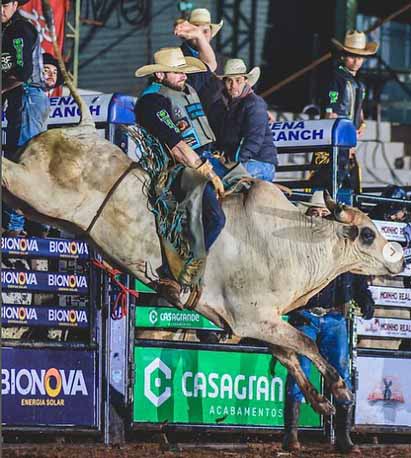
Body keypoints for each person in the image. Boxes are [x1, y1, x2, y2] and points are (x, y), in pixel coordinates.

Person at [283, 191, 375, 454]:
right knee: (299, 373)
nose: (321, 215)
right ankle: (291, 434)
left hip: (333, 316)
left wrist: (364, 296)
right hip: (306, 315)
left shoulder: (341, 245)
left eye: (325, 212)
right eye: (316, 212)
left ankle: (343, 436)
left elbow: (355, 275)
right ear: (308, 216)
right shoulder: (297, 246)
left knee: (340, 374)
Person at [134, 47, 225, 308]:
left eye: (184, 70)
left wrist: (199, 37)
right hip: (176, 167)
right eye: (178, 71)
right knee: (215, 217)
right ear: (161, 74)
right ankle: (177, 275)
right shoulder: (152, 102)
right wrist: (207, 172)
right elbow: (176, 146)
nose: (184, 76)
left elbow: (208, 65)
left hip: (201, 157)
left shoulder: (178, 88)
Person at [2, 0, 50, 236]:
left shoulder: (19, 29)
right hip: (21, 96)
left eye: (5, 4)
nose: (1, 10)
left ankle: (16, 227)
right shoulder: (8, 30)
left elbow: (22, 72)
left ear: (13, 4)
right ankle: (34, 224)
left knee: (21, 158)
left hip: (28, 94)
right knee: (19, 156)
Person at [310, 31, 379, 195]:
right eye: (352, 56)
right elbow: (330, 106)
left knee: (345, 175)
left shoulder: (357, 82)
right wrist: (335, 126)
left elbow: (357, 106)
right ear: (343, 56)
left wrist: (361, 122)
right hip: (336, 135)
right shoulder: (336, 76)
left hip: (348, 136)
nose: (356, 61)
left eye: (360, 57)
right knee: (332, 174)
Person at [208, 58, 278, 181]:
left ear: (246, 81)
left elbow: (253, 141)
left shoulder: (254, 104)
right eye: (229, 80)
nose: (233, 85)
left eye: (238, 80)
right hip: (245, 162)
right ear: (224, 82)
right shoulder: (225, 106)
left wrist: (235, 162)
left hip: (259, 163)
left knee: (217, 179)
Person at [174, 8, 227, 114]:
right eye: (196, 30)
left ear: (211, 33)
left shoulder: (224, 61)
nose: (200, 35)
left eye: (205, 31)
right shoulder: (174, 59)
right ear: (187, 33)